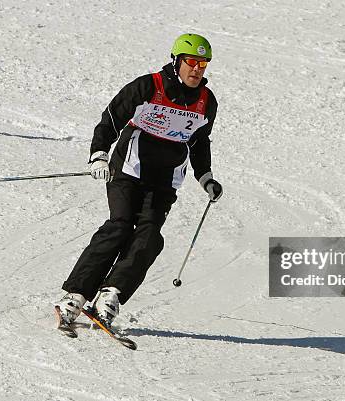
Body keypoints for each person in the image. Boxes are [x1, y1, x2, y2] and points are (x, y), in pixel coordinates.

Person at [54, 33, 223, 328]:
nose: (197, 69)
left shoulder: (206, 102)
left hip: (165, 180)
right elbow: (111, 117)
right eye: (192, 62)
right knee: (119, 226)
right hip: (128, 169)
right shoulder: (148, 86)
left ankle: (111, 295)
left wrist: (205, 176)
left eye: (203, 64)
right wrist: (98, 154)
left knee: (149, 236)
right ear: (177, 61)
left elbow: (199, 141)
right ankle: (76, 296)